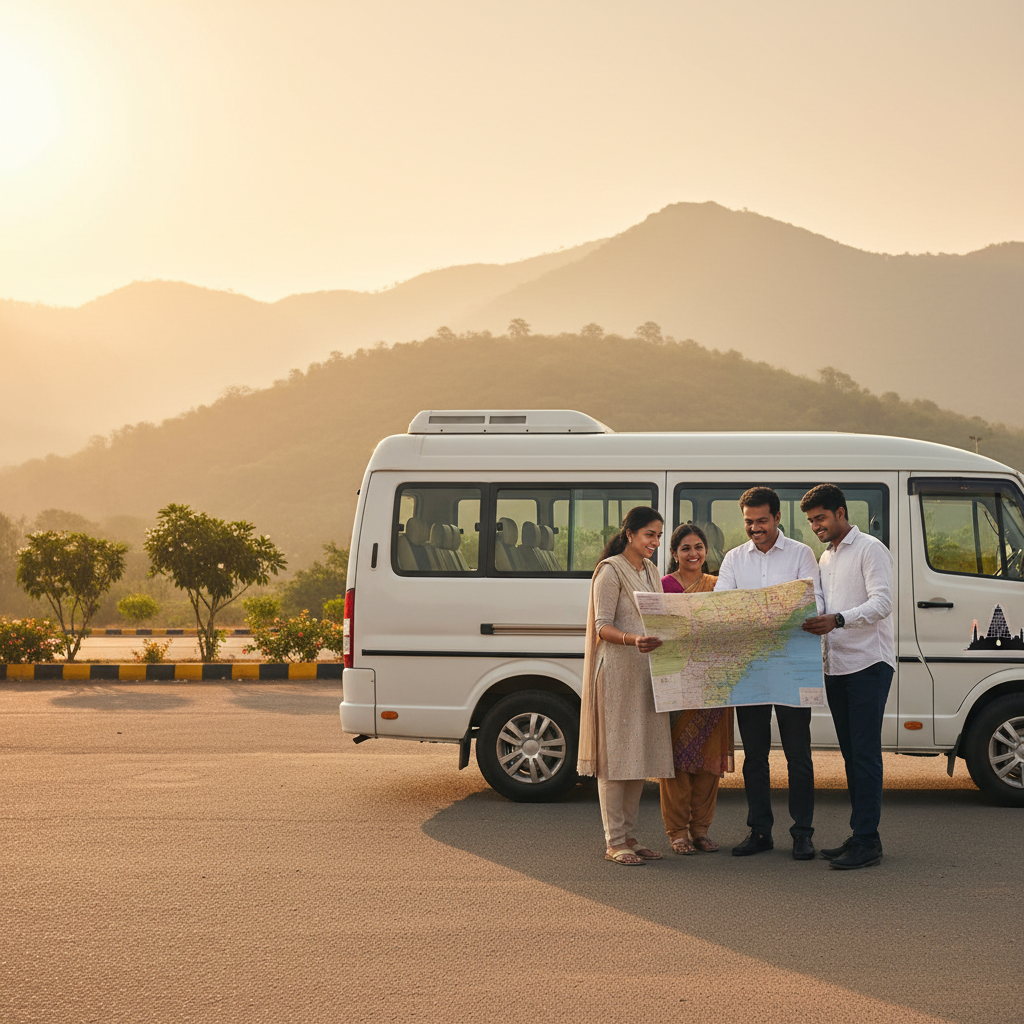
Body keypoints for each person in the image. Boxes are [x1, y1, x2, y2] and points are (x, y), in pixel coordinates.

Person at [714, 486, 823, 859]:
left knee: (798, 754)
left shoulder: (801, 554)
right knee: (754, 756)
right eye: (748, 522)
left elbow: (814, 601)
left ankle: (802, 833)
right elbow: (725, 606)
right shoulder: (733, 559)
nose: (755, 528)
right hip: (751, 669)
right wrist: (773, 610)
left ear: (777, 518)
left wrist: (759, 611)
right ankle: (760, 831)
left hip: (793, 665)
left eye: (762, 521)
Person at [800, 483, 895, 870]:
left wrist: (839, 619)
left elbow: (883, 602)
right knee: (852, 754)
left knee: (866, 753)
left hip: (868, 664)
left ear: (841, 512)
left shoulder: (870, 548)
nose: (816, 527)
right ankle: (860, 834)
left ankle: (868, 841)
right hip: (836, 665)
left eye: (820, 518)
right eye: (810, 521)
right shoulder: (825, 557)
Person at [579, 506, 675, 865]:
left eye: (659, 535)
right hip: (617, 672)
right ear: (630, 534)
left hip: (645, 672)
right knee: (616, 759)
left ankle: (630, 837)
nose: (655, 541)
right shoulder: (610, 571)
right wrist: (634, 639)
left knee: (639, 755)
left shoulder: (650, 570)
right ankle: (614, 841)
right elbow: (602, 625)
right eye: (649, 534)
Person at [659, 523, 735, 854]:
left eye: (699, 547)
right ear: (674, 553)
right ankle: (677, 832)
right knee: (676, 760)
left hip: (713, 681)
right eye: (686, 548)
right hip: (677, 681)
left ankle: (701, 830)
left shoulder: (718, 586)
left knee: (708, 759)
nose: (693, 553)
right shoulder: (662, 587)